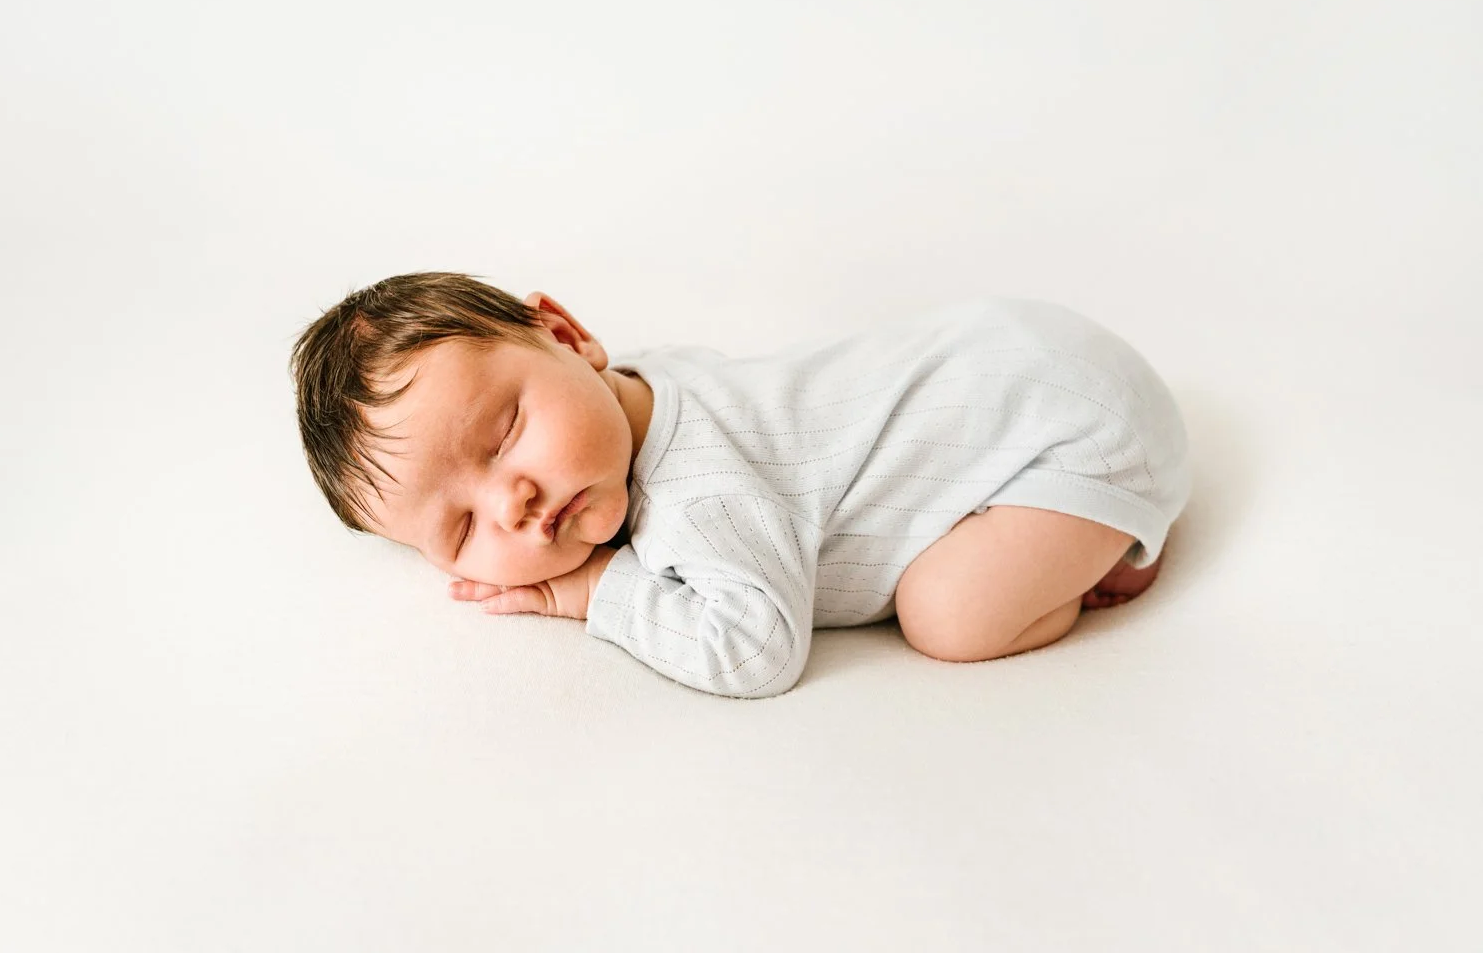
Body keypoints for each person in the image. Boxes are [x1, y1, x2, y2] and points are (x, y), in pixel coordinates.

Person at [289, 271, 1191, 698]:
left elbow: (756, 651)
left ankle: (1109, 542)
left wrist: (596, 591)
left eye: (506, 431)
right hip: (1018, 352)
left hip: (1075, 430)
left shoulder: (697, 499)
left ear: (567, 337)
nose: (514, 502)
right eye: (460, 530)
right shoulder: (640, 387)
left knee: (947, 619)